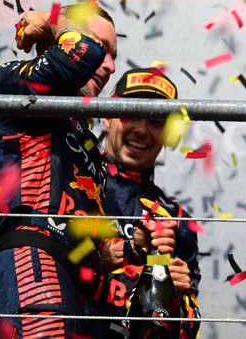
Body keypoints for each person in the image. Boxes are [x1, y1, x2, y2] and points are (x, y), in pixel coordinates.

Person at [0, 3, 173, 338]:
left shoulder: (78, 132)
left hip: (61, 283)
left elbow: (73, 236)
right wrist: (51, 24)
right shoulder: (12, 84)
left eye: (113, 56)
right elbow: (83, 53)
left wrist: (131, 250)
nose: (108, 65)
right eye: (103, 48)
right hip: (32, 269)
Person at [95, 68, 201, 338]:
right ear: (107, 117)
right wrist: (130, 253)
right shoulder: (72, 183)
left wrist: (177, 299)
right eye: (131, 112)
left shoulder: (178, 220)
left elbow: (189, 327)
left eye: (156, 120)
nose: (141, 130)